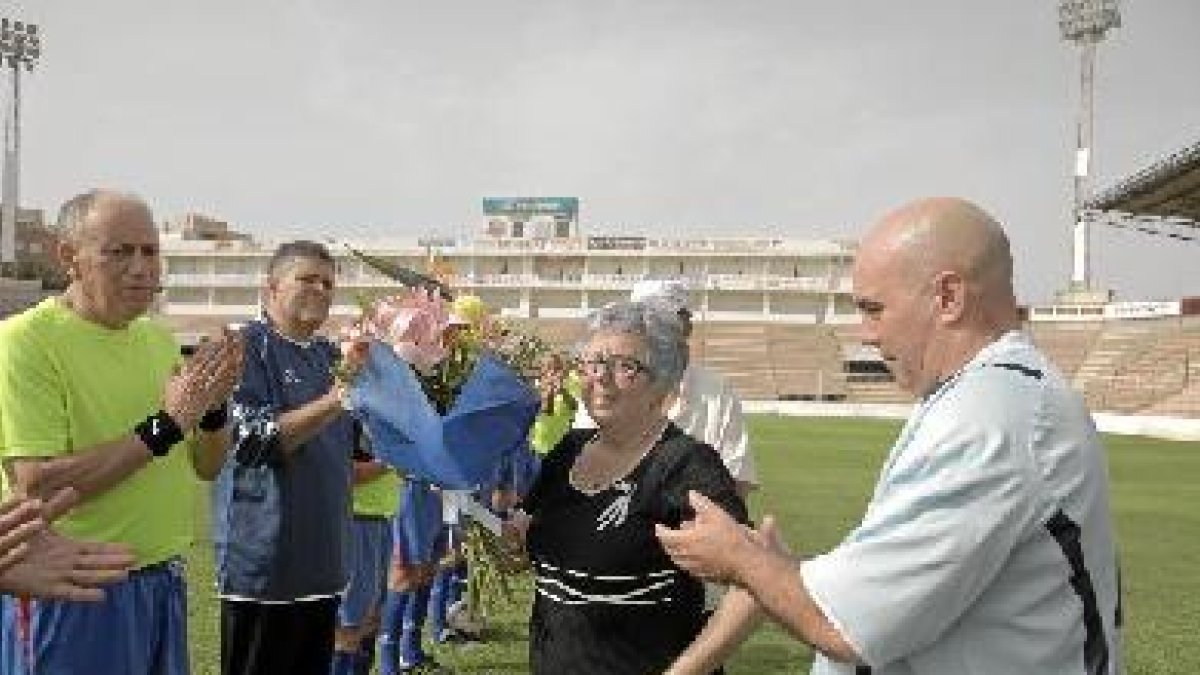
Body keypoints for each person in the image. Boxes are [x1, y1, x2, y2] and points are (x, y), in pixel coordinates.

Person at [656, 197, 1124, 674]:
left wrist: (741, 559)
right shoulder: (996, 395)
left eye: (874, 309)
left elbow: (847, 627)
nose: (866, 334)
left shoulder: (990, 414)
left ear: (948, 298)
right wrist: (772, 566)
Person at [0, 189, 243, 674]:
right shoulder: (24, 342)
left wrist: (212, 409)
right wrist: (166, 425)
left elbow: (207, 465)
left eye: (150, 252)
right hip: (74, 587)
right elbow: (38, 485)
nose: (140, 268)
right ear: (68, 256)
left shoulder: (157, 340)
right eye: (120, 252)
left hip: (163, 580)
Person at [507, 300, 749, 674]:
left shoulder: (684, 465)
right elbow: (540, 550)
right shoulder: (567, 452)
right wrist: (515, 546)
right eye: (593, 363)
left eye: (626, 366)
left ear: (662, 384)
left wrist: (685, 671)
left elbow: (753, 584)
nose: (602, 377)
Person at [212, 240, 354, 675]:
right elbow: (251, 442)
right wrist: (335, 400)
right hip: (264, 571)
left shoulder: (332, 356)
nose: (320, 290)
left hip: (324, 565)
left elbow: (359, 446)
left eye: (328, 283)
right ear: (271, 287)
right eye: (307, 279)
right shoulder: (244, 347)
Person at [577, 279, 758, 498]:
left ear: (687, 327)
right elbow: (581, 467)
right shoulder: (601, 385)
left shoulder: (717, 391)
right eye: (642, 320)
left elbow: (737, 479)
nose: (653, 329)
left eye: (665, 321)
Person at [332, 426, 402, 675]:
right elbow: (346, 472)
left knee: (370, 618)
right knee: (348, 625)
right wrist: (394, 461)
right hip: (355, 519)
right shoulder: (349, 417)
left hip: (380, 517)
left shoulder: (380, 415)